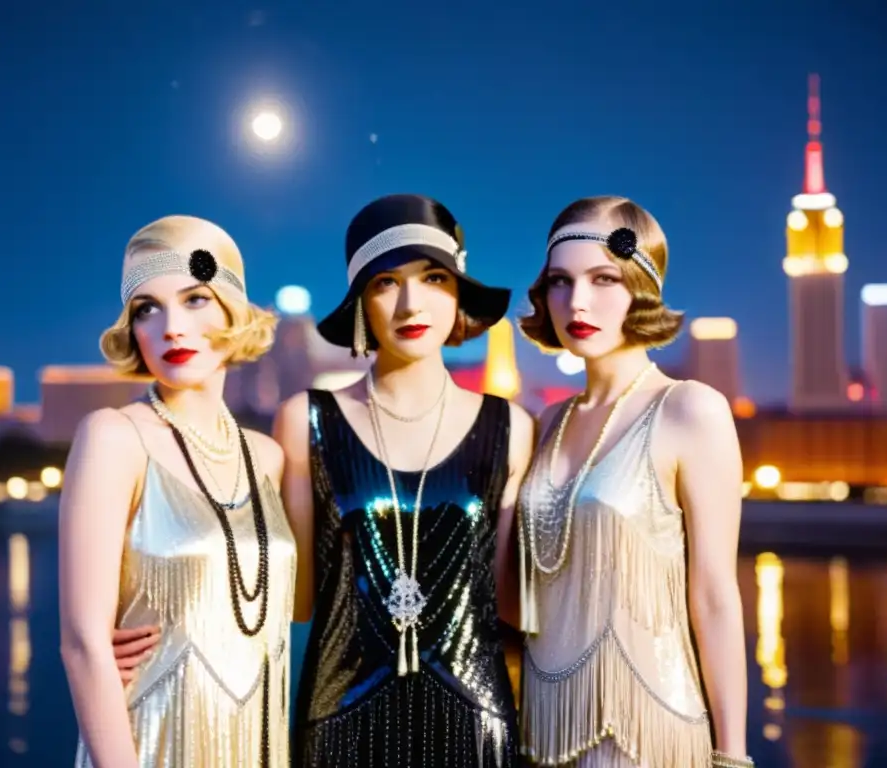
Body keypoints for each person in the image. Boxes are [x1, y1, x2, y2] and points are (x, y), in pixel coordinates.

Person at [274, 193, 534, 766]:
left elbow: (514, 604)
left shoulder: (510, 428)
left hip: (475, 720)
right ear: (362, 302)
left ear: (457, 291)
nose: (411, 303)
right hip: (340, 718)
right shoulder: (305, 422)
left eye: (434, 277)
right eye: (386, 282)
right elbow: (290, 603)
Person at [515, 196, 751, 767]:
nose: (579, 302)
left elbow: (716, 595)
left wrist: (733, 755)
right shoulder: (546, 423)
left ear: (642, 287)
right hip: (543, 728)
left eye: (604, 279)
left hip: (649, 734)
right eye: (560, 282)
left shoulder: (690, 410)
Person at [59, 215, 296, 768]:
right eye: (147, 308)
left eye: (194, 299)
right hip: (149, 745)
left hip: (258, 744)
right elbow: (82, 644)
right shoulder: (113, 437)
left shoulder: (269, 457)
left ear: (231, 307)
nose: (171, 327)